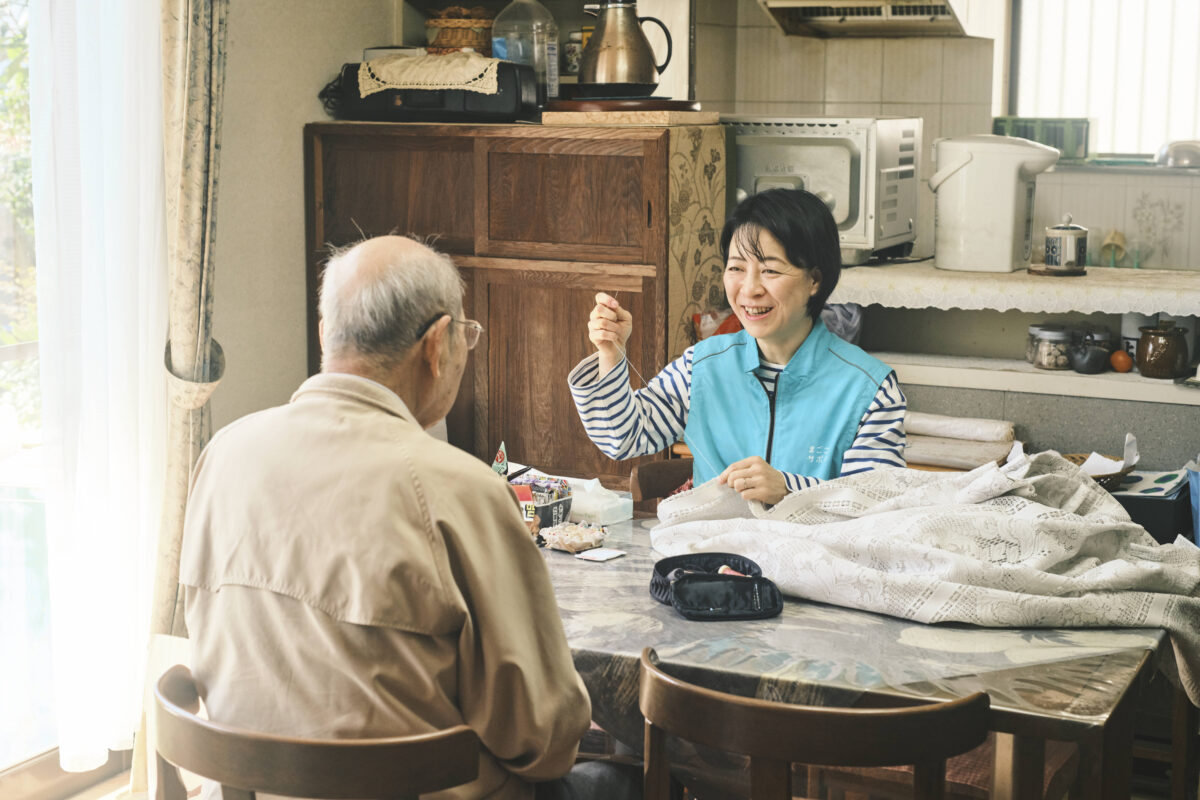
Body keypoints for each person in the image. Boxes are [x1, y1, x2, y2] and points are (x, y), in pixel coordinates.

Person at [180, 235, 637, 800]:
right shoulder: (458, 489)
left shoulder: (224, 452)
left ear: (325, 335)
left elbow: (204, 633)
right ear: (437, 345)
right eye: (466, 336)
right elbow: (541, 739)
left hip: (252, 789)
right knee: (623, 779)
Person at [569, 189, 906, 506]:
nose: (749, 289)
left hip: (816, 564)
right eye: (736, 268)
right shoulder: (701, 367)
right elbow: (623, 436)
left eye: (770, 270)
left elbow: (876, 504)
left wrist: (788, 488)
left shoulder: (871, 389)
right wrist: (610, 354)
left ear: (815, 280)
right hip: (714, 560)